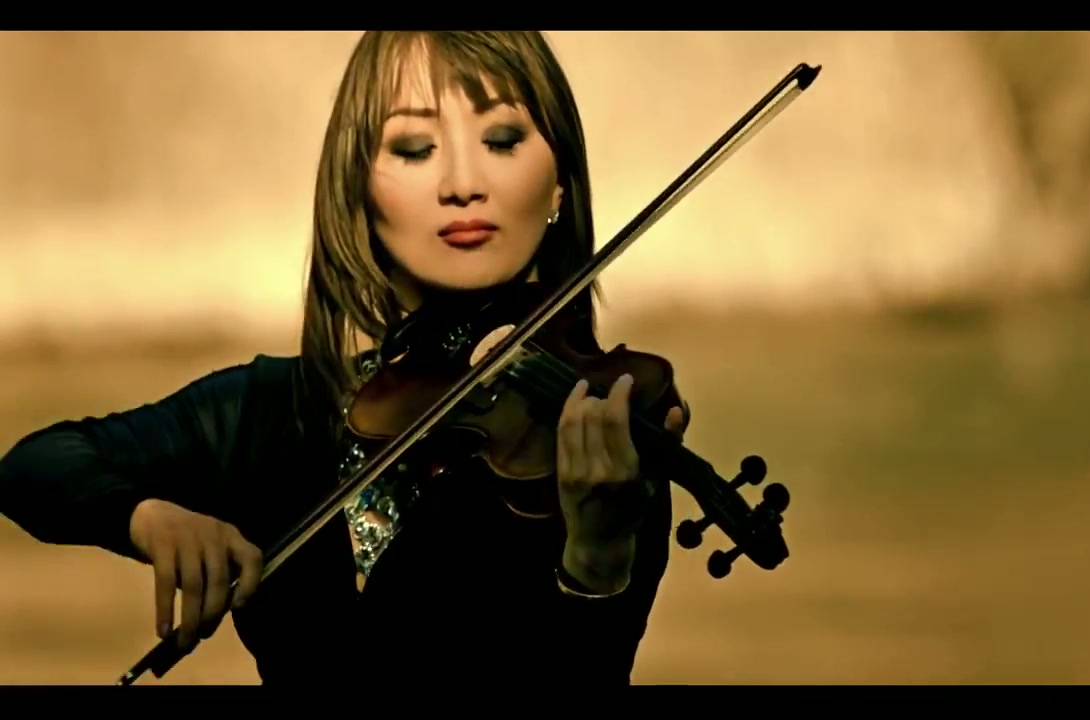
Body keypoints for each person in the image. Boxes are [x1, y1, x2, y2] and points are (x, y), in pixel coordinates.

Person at [0, 31, 689, 685]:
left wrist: (597, 563)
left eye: (502, 140)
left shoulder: (597, 438)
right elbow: (34, 465)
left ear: (559, 185)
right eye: (415, 148)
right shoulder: (268, 412)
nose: (463, 183)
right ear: (359, 189)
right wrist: (150, 517)